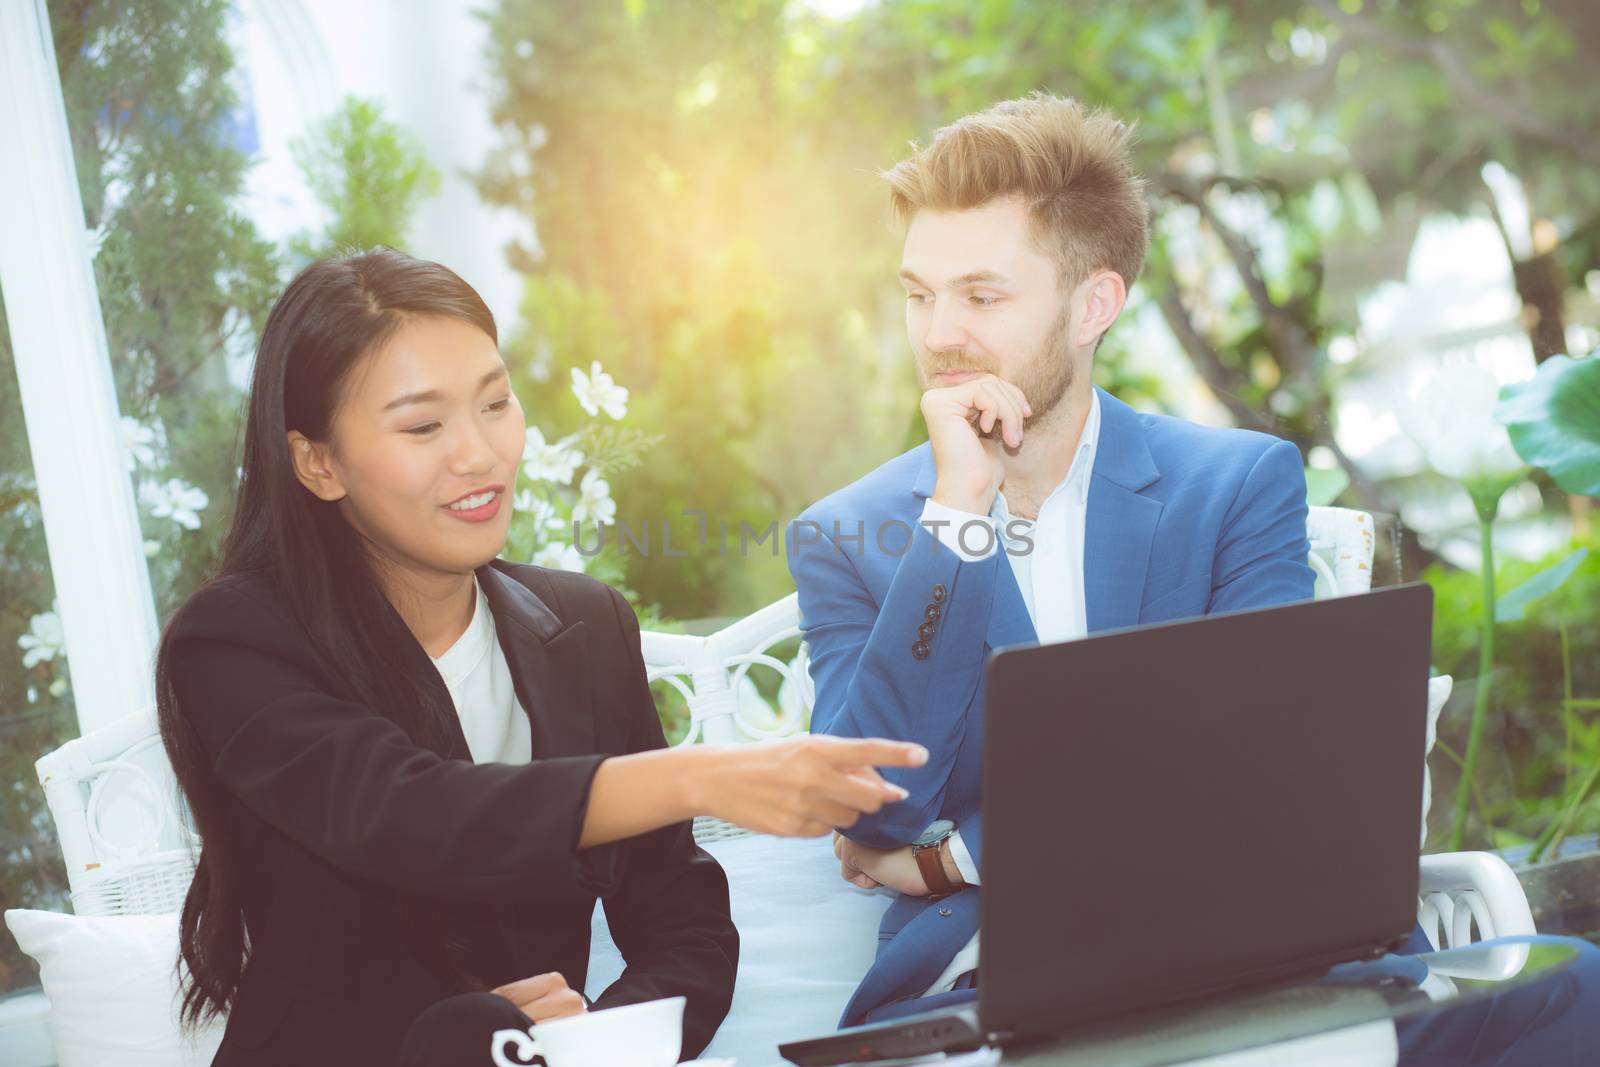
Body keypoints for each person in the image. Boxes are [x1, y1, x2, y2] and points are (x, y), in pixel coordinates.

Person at [787, 94, 1600, 1062]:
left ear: (1093, 303)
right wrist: (955, 517)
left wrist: (946, 855)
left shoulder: (1233, 486)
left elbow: (1250, 777)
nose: (940, 333)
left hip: (1253, 964)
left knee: (1572, 983)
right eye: (919, 294)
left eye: (981, 295)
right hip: (986, 981)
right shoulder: (848, 535)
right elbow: (862, 807)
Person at [155, 247, 926, 1066]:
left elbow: (685, 926)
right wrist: (699, 776)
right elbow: (410, 813)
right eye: (423, 425)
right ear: (317, 461)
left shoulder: (584, 626)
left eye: (496, 403)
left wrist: (586, 1040)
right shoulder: (236, 641)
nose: (480, 454)